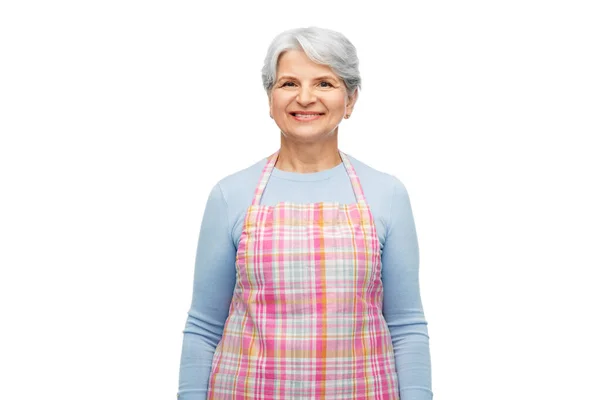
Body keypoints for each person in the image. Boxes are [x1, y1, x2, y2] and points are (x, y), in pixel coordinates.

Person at [177, 26, 433, 400]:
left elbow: (406, 324)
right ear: (270, 98)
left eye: (325, 83)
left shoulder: (387, 194)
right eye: (289, 83)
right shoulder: (230, 196)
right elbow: (203, 327)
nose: (306, 97)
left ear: (351, 99)